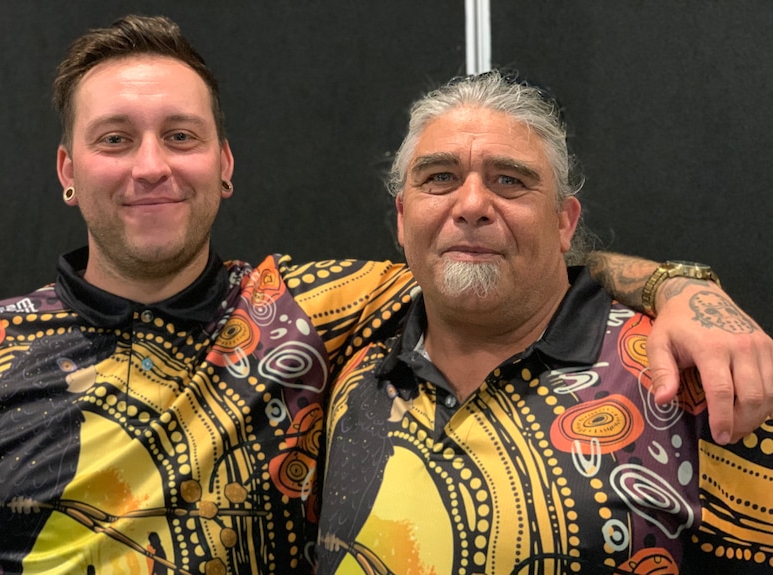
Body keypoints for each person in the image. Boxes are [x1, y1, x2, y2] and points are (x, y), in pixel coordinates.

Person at [0, 14, 769, 575]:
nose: (150, 165)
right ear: (68, 170)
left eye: (181, 135)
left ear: (224, 164)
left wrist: (682, 288)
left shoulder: (308, 308)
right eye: (114, 139)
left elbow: (502, 259)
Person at [316, 71, 773, 574]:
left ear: (564, 223)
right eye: (439, 177)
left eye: (509, 181)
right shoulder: (349, 375)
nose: (470, 206)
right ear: (403, 218)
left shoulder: (691, 374)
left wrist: (684, 288)